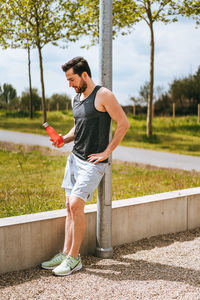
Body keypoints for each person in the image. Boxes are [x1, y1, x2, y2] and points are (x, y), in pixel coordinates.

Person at [41, 56, 130, 276]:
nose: (69, 84)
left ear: (84, 75)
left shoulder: (103, 95)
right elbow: (78, 127)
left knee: (75, 204)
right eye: (67, 80)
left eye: (71, 79)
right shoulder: (77, 98)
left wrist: (107, 152)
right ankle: (65, 253)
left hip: (93, 162)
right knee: (69, 208)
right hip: (75, 158)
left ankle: (74, 258)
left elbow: (124, 123)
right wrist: (64, 139)